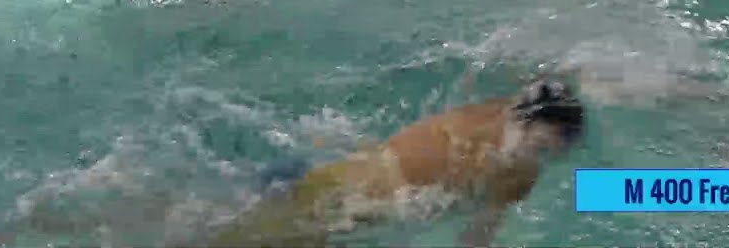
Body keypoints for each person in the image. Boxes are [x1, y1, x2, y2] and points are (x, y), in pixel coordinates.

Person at [208, 79, 585, 247]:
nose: (548, 152)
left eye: (554, 148)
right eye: (545, 141)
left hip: (354, 207)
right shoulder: (482, 130)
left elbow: (477, 237)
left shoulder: (519, 171)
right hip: (338, 196)